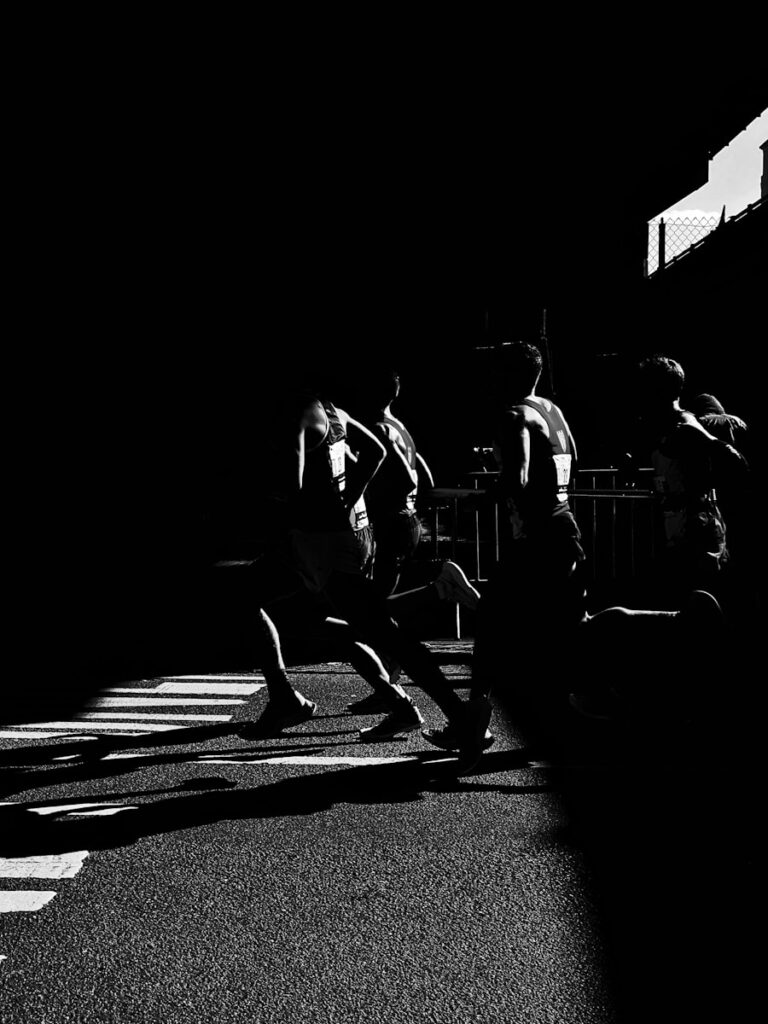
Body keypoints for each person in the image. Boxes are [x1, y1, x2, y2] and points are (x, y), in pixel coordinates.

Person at [240, 383, 489, 762]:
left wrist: (272, 525)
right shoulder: (333, 410)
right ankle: (296, 697)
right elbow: (375, 452)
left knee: (378, 628)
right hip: (348, 534)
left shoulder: (299, 414)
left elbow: (294, 488)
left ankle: (454, 708)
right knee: (320, 618)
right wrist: (350, 498)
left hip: (321, 543)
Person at [422, 341, 586, 757]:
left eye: (495, 374)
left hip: (535, 539)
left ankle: (475, 722)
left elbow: (519, 477)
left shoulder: (514, 416)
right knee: (556, 625)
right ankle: (570, 709)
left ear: (507, 376)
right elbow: (571, 459)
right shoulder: (552, 409)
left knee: (495, 624)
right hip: (564, 527)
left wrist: (484, 500)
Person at [635, 356, 749, 604]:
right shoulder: (658, 428)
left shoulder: (685, 425)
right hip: (678, 527)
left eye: (645, 389)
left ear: (661, 391)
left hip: (698, 529)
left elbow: (736, 461)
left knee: (702, 603)